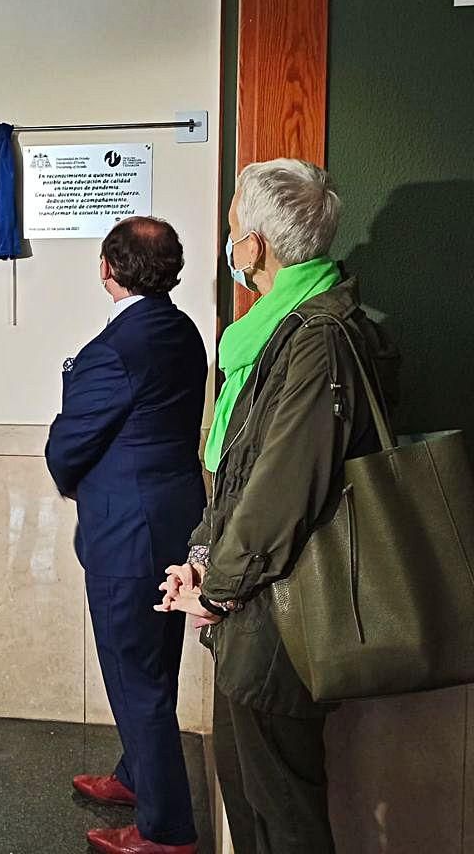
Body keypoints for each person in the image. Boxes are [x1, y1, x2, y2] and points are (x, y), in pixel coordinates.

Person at [158, 159, 398, 854]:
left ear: (255, 247)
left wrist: (219, 588)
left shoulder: (316, 338)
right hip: (252, 606)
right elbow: (237, 474)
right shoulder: (277, 334)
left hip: (277, 618)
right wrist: (203, 562)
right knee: (252, 794)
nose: (230, 246)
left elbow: (282, 490)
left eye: (234, 231)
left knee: (281, 816)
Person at [46, 216, 207, 854]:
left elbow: (69, 445)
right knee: (155, 663)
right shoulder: (183, 330)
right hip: (175, 520)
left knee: (132, 673)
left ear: (107, 270)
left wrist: (61, 466)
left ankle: (166, 829)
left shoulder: (112, 349)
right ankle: (135, 775)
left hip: (127, 532)